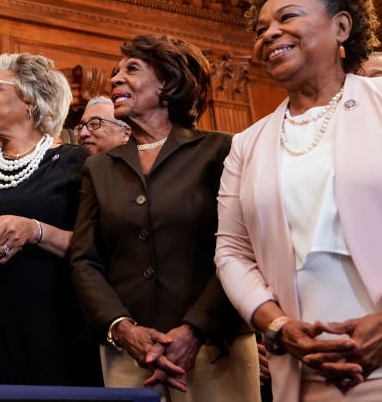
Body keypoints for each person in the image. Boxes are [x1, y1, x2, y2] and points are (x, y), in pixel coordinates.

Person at [215, 0, 382, 401]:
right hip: (305, 376)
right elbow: (231, 251)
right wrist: (277, 326)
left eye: (287, 17)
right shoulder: (246, 144)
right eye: (261, 30)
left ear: (342, 26)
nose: (270, 33)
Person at [70, 34, 260, 402]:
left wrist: (196, 328)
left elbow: (242, 246)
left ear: (168, 83)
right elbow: (84, 260)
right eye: (115, 72)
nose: (115, 80)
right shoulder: (99, 168)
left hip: (214, 348)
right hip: (129, 355)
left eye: (131, 69)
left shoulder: (221, 150)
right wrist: (122, 328)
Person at [0, 54, 100, 386]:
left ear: (30, 98)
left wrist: (35, 231)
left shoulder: (76, 163)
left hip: (61, 337)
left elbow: (99, 250)